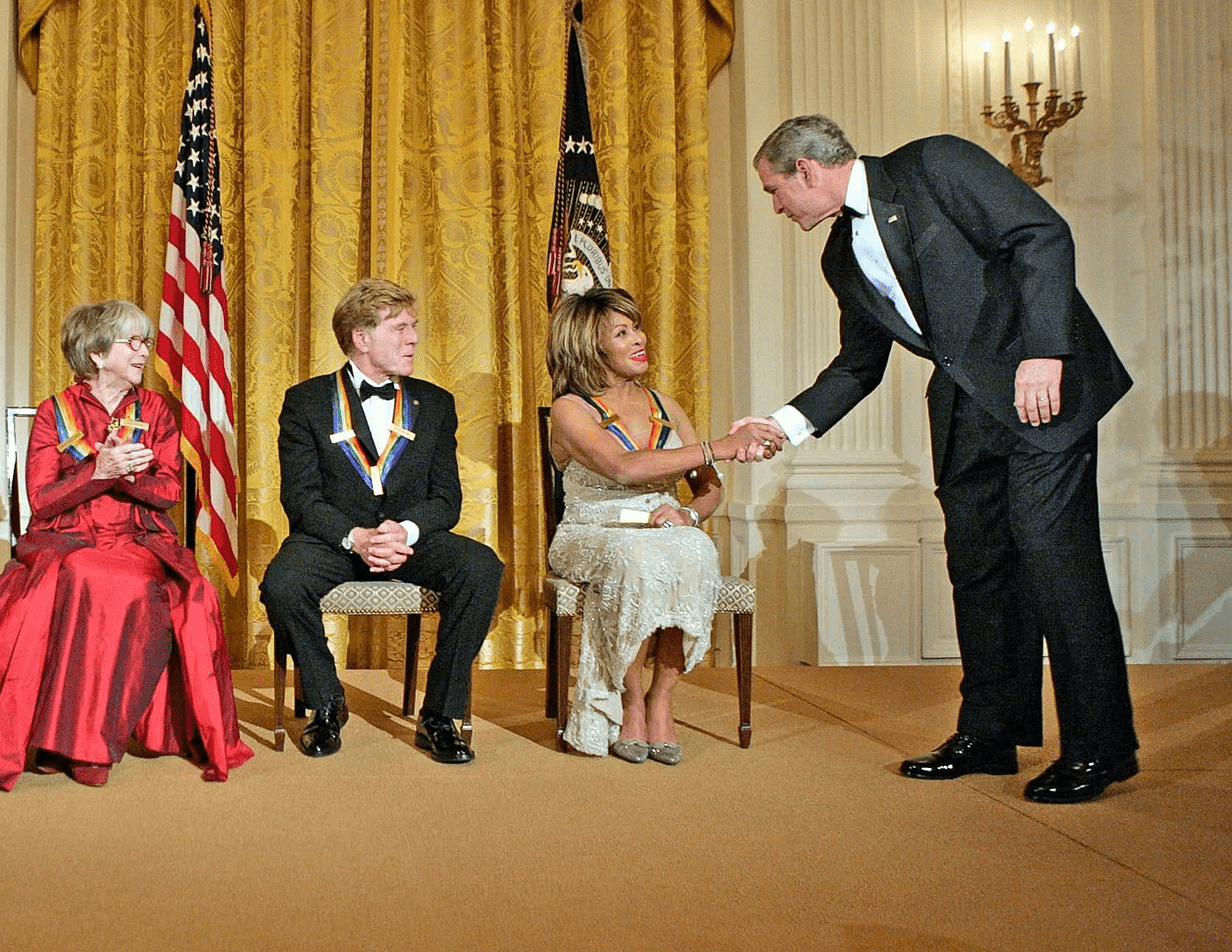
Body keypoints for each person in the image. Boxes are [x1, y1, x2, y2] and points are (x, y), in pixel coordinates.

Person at [740, 114, 1137, 803]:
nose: (777, 207)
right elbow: (859, 365)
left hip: (1040, 395)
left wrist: (1045, 353)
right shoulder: (840, 257)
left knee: (1056, 566)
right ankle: (990, 735)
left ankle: (1099, 749)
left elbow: (1040, 233)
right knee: (980, 573)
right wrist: (782, 424)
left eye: (776, 191)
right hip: (963, 415)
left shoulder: (935, 165)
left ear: (805, 169)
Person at [0, 299, 251, 790]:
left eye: (145, 341)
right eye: (133, 342)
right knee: (79, 576)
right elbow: (41, 501)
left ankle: (88, 744)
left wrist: (128, 479)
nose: (144, 352)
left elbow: (168, 493)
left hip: (137, 537)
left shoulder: (156, 410)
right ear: (98, 354)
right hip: (65, 538)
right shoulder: (54, 412)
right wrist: (97, 473)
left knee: (119, 584)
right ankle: (65, 742)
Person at [261, 279, 504, 764]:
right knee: (283, 583)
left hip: (408, 540)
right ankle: (326, 701)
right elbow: (301, 498)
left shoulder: (435, 403)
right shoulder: (305, 402)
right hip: (333, 540)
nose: (414, 337)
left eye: (413, 327)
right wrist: (356, 537)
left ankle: (439, 715)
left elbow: (446, 499)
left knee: (482, 568)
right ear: (361, 337)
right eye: (400, 328)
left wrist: (405, 531)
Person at [544, 289, 770, 762]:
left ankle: (661, 696)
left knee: (695, 548)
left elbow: (708, 488)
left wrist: (689, 514)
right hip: (590, 530)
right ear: (590, 347)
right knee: (639, 557)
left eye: (637, 327)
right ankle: (628, 701)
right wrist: (721, 445)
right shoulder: (571, 409)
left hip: (663, 531)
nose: (640, 339)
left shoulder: (665, 405)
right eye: (622, 333)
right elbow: (624, 467)